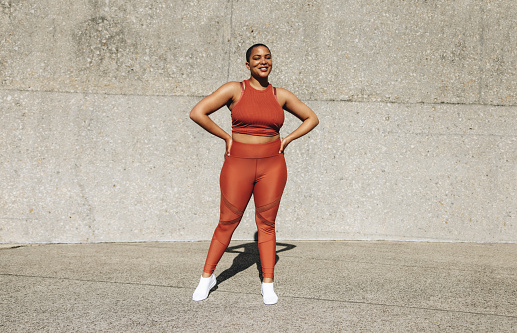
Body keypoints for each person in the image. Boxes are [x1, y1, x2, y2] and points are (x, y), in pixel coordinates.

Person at [189, 43, 318, 305]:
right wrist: (226, 137)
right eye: (256, 58)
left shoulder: (280, 95)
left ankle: (267, 283)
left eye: (267, 57)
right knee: (227, 222)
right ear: (247, 65)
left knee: (266, 225)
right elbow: (197, 112)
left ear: (271, 63)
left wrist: (287, 140)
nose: (263, 61)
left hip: (273, 165)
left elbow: (311, 118)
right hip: (238, 163)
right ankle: (207, 278)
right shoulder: (235, 89)